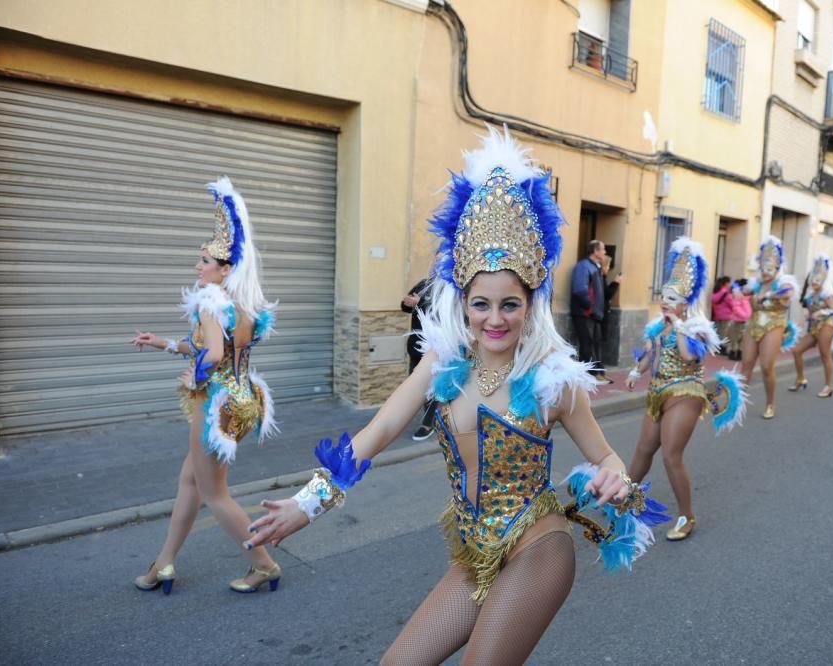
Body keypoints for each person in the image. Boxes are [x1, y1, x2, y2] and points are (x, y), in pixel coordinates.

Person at [244, 127, 664, 664]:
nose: (495, 319)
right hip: (475, 550)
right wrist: (307, 505)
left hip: (540, 546)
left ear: (531, 303)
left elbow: (605, 456)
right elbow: (377, 432)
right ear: (463, 300)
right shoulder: (441, 365)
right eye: (481, 304)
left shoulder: (553, 381)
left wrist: (613, 477)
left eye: (510, 304)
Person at [130, 177, 279, 595]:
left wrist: (194, 374)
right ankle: (164, 562)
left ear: (224, 268)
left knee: (214, 494)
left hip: (215, 403)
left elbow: (212, 354)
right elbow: (219, 348)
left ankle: (264, 563)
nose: (197, 267)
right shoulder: (242, 305)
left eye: (203, 261)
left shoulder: (212, 303)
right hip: (243, 398)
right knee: (190, 483)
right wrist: (162, 343)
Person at [625, 238, 747, 541]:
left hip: (685, 395)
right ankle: (624, 496)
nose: (665, 301)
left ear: (685, 302)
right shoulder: (659, 327)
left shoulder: (695, 327)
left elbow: (690, 354)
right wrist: (633, 372)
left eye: (673, 297)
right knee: (643, 449)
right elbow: (649, 355)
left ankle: (687, 516)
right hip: (657, 393)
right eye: (664, 296)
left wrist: (678, 324)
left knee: (671, 455)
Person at [739, 236, 798, 419]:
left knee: (766, 366)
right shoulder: (756, 283)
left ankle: (770, 402)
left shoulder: (783, 281)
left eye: (770, 268)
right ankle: (737, 403)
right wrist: (739, 289)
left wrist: (770, 294)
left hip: (774, 324)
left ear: (778, 267)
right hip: (754, 323)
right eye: (763, 268)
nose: (765, 272)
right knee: (746, 363)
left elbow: (788, 293)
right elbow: (740, 290)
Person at [788, 255, 833, 398]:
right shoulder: (810, 295)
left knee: (825, 355)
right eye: (813, 279)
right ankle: (801, 379)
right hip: (814, 327)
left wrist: (821, 311)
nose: (814, 282)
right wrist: (806, 317)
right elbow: (810, 312)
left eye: (818, 279)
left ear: (824, 280)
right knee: (796, 351)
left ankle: (829, 386)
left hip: (827, 325)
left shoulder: (828, 294)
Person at [402, 276, 437, 440]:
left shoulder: (451, 286)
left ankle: (428, 423)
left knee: (433, 385)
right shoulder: (424, 283)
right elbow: (407, 307)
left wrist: (420, 303)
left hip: (435, 346)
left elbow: (443, 311)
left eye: (442, 258)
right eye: (437, 259)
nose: (438, 263)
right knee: (416, 384)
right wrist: (406, 302)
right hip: (416, 342)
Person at [571, 239, 611, 382]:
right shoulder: (583, 267)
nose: (605, 252)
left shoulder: (595, 267)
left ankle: (598, 371)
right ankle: (590, 374)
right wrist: (590, 306)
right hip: (585, 313)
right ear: (595, 251)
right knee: (587, 344)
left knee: (596, 342)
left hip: (594, 314)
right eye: (603, 249)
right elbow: (579, 290)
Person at [599, 253, 623, 345]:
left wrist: (614, 282)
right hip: (601, 313)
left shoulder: (602, 278)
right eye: (608, 265)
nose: (608, 268)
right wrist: (616, 283)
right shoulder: (600, 278)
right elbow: (607, 294)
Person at [726, 278, 751, 361]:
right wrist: (745, 316)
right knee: (735, 338)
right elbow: (736, 308)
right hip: (737, 321)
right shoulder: (736, 298)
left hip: (746, 322)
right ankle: (733, 352)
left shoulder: (747, 298)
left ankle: (740, 353)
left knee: (743, 339)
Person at [711, 276, 733, 355]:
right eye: (730, 282)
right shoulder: (726, 293)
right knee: (724, 333)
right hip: (726, 316)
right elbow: (732, 304)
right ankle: (723, 349)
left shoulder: (716, 291)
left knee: (718, 332)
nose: (730, 284)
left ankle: (717, 348)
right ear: (726, 283)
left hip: (717, 315)